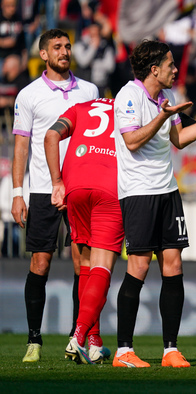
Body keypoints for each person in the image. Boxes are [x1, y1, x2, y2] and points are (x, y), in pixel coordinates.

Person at [112, 39, 196, 368]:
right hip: (139, 193)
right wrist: (162, 116)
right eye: (171, 64)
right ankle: (123, 351)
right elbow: (131, 141)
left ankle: (170, 349)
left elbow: (181, 140)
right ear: (154, 69)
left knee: (173, 266)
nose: (175, 69)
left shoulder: (166, 98)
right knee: (139, 267)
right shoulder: (129, 95)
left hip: (168, 191)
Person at [11, 28, 99, 363]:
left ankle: (78, 339)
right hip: (43, 190)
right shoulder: (29, 94)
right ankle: (34, 340)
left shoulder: (89, 90)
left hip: (80, 188)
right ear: (44, 55)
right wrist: (18, 193)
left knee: (83, 264)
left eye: (67, 46)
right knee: (40, 262)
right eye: (57, 47)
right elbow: (21, 145)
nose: (64, 51)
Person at [44, 98, 120, 364]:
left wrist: (56, 182)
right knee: (104, 265)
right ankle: (77, 338)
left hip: (74, 185)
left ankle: (95, 341)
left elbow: (52, 135)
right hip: (110, 186)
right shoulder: (130, 106)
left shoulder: (80, 107)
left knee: (86, 263)